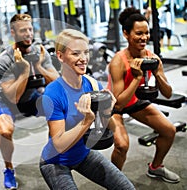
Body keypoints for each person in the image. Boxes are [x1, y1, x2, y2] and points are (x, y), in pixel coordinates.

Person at [39, 28, 135, 189]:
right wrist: (87, 120)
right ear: (60, 56)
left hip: (82, 154)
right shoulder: (52, 93)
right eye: (76, 53)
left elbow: (111, 127)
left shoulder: (92, 84)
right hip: (55, 161)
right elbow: (60, 144)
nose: (83, 59)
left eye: (86, 52)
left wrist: (106, 111)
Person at [107, 7, 180, 183]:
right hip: (112, 105)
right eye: (139, 33)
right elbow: (118, 104)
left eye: (147, 33)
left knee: (169, 130)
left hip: (134, 101)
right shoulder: (118, 62)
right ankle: (114, 182)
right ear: (126, 34)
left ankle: (156, 168)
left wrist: (156, 73)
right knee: (122, 145)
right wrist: (137, 77)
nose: (144, 37)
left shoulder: (151, 57)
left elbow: (168, 94)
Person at [0, 13, 59, 189]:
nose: (28, 34)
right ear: (13, 33)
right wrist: (24, 71)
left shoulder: (39, 52)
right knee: (5, 131)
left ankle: (52, 156)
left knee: (59, 108)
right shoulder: (3, 60)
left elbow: (57, 81)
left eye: (30, 29)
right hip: (8, 101)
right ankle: (8, 169)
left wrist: (38, 66)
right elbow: (12, 97)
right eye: (23, 30)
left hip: (31, 98)